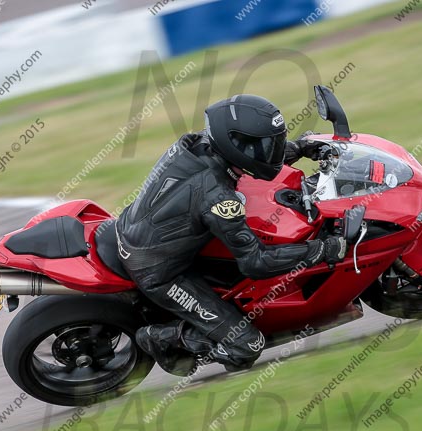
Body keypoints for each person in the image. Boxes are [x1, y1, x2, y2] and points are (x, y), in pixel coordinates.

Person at [115, 94, 346, 376]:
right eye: (267, 144)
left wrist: (298, 148)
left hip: (139, 228)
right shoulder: (218, 198)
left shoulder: (200, 143)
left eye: (272, 142)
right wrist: (321, 251)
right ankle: (158, 337)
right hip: (158, 270)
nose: (269, 150)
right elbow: (255, 263)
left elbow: (248, 155)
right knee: (247, 346)